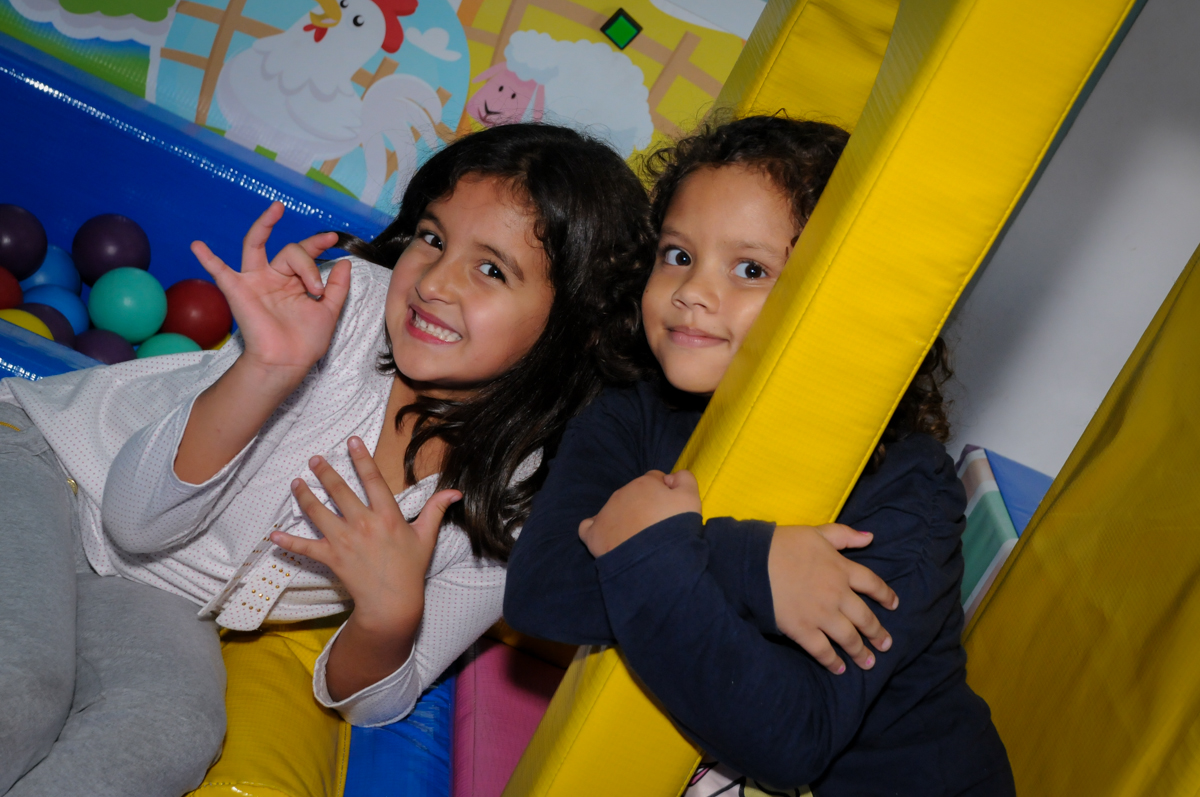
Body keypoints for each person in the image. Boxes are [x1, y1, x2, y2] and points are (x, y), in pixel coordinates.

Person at [0, 123, 653, 796]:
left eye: (492, 269)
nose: (433, 282)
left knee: (170, 728)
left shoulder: (516, 506)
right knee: (20, 683)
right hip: (46, 464)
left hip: (154, 590)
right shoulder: (338, 316)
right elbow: (134, 522)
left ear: (578, 330)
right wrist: (264, 372)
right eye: (432, 237)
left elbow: (370, 701)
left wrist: (388, 615)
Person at [504, 116, 1016, 796]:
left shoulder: (909, 489)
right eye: (678, 255)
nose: (692, 292)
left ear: (842, 299)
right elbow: (541, 591)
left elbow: (794, 739)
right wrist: (749, 560)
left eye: (751, 269)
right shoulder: (629, 410)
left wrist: (653, 546)